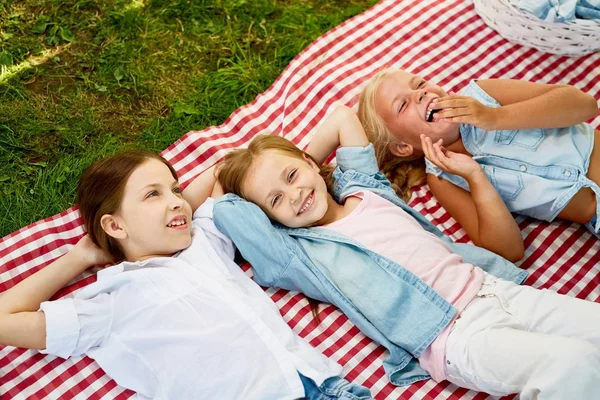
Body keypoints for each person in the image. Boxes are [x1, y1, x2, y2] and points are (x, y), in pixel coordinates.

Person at [212, 106, 600, 399]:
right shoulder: (299, 255)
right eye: (276, 199)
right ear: (270, 219)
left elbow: (342, 117)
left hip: (495, 290)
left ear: (313, 164)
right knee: (569, 366)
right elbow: (229, 211)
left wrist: (296, 162)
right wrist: (227, 168)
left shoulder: (364, 189)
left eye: (292, 176)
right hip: (453, 337)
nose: (294, 194)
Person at [0, 150, 373, 400]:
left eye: (176, 189)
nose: (177, 200)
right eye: (153, 195)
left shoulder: (203, 242)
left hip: (326, 384)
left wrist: (176, 211)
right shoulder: (111, 301)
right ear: (114, 225)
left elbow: (225, 172)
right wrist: (79, 257)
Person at [357, 68, 600, 260]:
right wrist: (476, 177)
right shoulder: (443, 179)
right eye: (402, 105)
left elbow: (584, 104)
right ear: (402, 147)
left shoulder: (483, 95)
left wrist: (494, 117)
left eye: (420, 84)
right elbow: (510, 251)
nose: (419, 93)